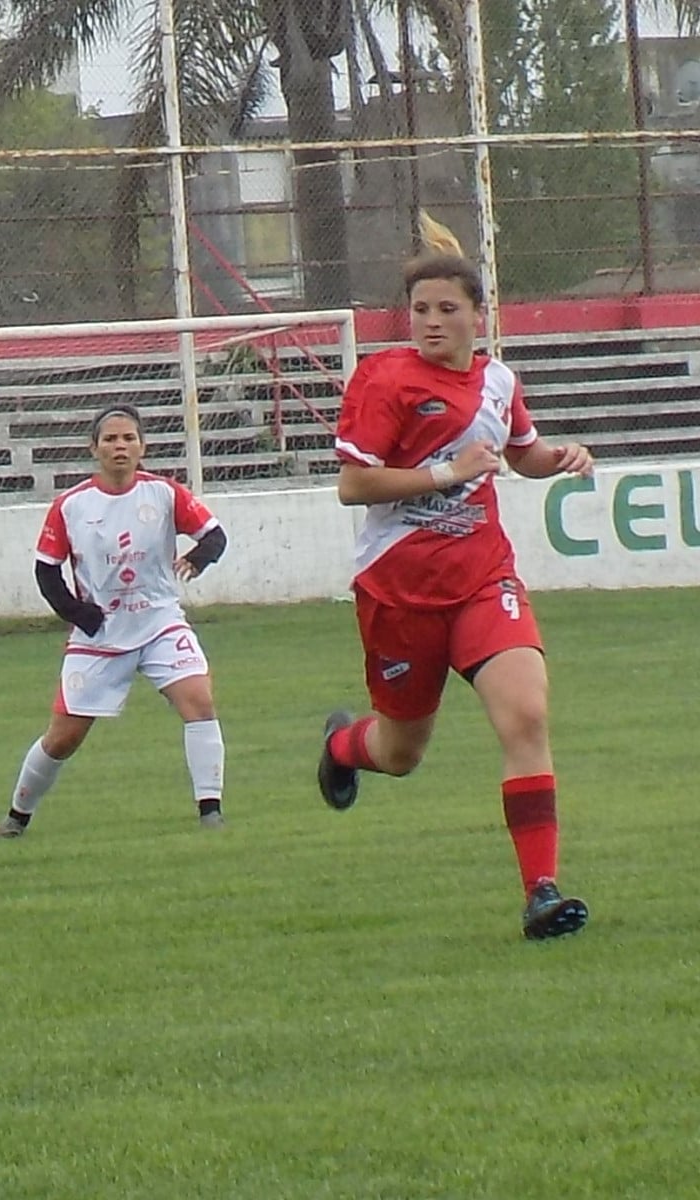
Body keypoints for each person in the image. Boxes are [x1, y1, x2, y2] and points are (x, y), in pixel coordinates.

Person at [316, 216, 594, 941]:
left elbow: (519, 455)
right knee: (401, 753)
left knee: (527, 717)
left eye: (447, 309)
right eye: (420, 310)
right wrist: (445, 471)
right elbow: (354, 485)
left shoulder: (499, 380)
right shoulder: (385, 379)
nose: (432, 322)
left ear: (477, 314)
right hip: (398, 593)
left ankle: (542, 890)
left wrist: (557, 456)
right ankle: (343, 747)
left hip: (482, 579)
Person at [0, 403, 229, 841]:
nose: (120, 446)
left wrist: (197, 558)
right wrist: (79, 614)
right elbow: (46, 571)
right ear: (94, 448)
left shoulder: (164, 493)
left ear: (142, 446)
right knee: (62, 738)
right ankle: (16, 820)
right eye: (110, 439)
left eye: (129, 438)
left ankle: (211, 813)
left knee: (199, 702)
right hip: (100, 636)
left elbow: (215, 536)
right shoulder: (71, 505)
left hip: (160, 622)